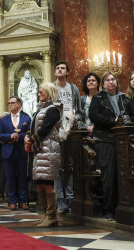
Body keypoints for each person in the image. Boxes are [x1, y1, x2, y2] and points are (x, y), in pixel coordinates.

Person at [89, 72, 134, 220]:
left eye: (113, 79)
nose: (111, 82)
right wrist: (113, 121)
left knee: (124, 174)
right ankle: (109, 209)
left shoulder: (124, 98)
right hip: (105, 139)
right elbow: (94, 116)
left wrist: (124, 120)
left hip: (124, 139)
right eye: (107, 80)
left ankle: (126, 207)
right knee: (108, 174)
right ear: (103, 84)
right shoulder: (98, 98)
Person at [25, 83, 62, 228]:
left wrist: (32, 138)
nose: (39, 94)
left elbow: (46, 128)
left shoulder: (53, 110)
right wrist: (27, 137)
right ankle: (46, 215)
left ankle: (52, 216)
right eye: (38, 92)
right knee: (40, 183)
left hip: (49, 148)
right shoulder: (38, 110)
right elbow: (34, 128)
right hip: (39, 149)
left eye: (42, 92)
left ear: (50, 93)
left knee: (47, 183)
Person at [52, 61, 84, 214]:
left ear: (67, 72)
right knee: (57, 165)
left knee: (69, 164)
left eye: (62, 68)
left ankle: (70, 197)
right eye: (57, 68)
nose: (59, 70)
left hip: (70, 130)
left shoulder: (73, 88)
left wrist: (73, 120)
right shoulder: (51, 87)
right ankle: (60, 198)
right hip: (55, 131)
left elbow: (79, 111)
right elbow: (44, 108)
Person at [0, 96, 31, 210]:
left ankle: (23, 200)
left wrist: (18, 137)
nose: (10, 105)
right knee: (10, 177)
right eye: (9, 103)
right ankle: (12, 201)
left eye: (13, 103)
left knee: (22, 177)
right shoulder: (3, 119)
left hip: (21, 150)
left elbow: (29, 133)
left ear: (19, 104)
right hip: (8, 151)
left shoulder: (27, 118)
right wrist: (10, 136)